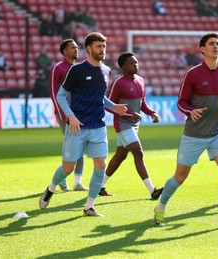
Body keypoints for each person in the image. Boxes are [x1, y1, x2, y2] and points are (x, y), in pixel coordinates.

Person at [153, 32, 218, 228]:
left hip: (217, 132)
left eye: (217, 43)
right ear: (202, 49)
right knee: (180, 176)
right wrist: (191, 111)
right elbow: (181, 102)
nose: (216, 46)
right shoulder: (193, 74)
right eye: (211, 44)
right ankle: (161, 206)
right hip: (194, 135)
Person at [39, 32, 128, 217]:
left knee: (100, 165)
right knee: (68, 168)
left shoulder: (106, 71)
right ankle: (51, 187)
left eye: (104, 46)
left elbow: (100, 97)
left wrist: (114, 107)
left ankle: (89, 206)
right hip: (77, 127)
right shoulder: (77, 70)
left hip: (98, 126)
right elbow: (61, 95)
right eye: (98, 46)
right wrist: (70, 116)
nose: (102, 50)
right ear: (89, 48)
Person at [99, 52, 163, 199]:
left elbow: (143, 103)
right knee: (138, 152)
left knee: (120, 156)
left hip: (134, 124)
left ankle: (99, 186)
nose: (136, 65)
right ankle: (153, 190)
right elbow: (109, 106)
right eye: (132, 63)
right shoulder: (118, 83)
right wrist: (128, 115)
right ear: (123, 66)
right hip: (123, 124)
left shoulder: (140, 80)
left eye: (136, 62)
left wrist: (152, 113)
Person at [48, 39, 88, 192]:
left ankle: (78, 183)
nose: (76, 50)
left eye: (77, 47)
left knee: (81, 145)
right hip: (65, 113)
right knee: (72, 145)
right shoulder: (58, 68)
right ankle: (62, 179)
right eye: (73, 48)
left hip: (79, 113)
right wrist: (62, 112)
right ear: (65, 51)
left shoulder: (79, 68)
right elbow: (53, 91)